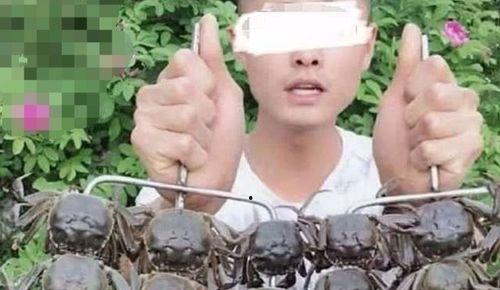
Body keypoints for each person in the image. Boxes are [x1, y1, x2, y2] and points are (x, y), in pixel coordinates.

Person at [132, 0, 483, 230]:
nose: (306, 54)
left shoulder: (402, 172)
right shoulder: (182, 178)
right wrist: (187, 207)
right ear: (240, 45)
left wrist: (412, 204)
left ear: (367, 48)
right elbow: (130, 288)